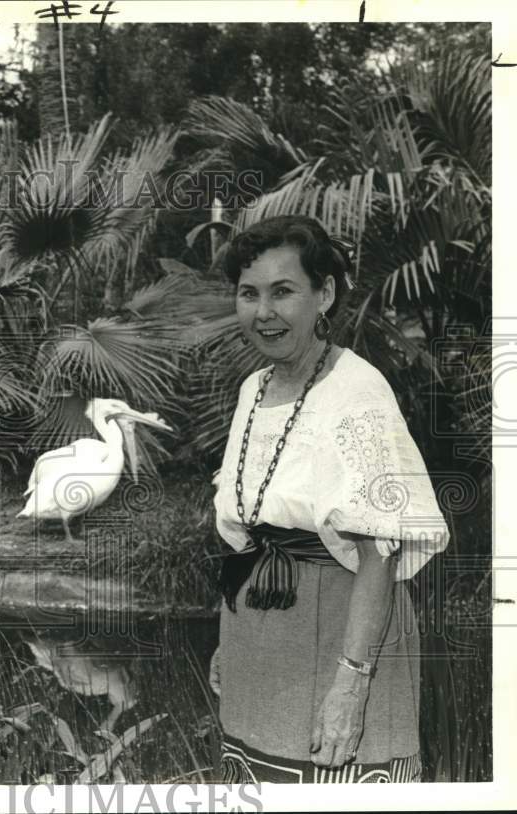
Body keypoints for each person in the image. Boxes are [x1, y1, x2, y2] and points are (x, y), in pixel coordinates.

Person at [208, 215, 449, 783]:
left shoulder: (355, 391)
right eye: (249, 293)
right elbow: (251, 531)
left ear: (325, 294)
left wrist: (352, 682)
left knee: (332, 781)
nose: (264, 311)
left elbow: (378, 552)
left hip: (342, 632)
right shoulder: (254, 388)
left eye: (283, 291)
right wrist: (232, 641)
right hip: (261, 633)